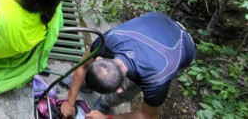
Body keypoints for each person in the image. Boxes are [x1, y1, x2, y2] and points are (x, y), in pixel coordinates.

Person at [60, 12, 196, 119]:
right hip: (158, 20)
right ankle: (91, 82)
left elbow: (148, 116)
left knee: (130, 87)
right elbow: (83, 65)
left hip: (184, 46)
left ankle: (105, 104)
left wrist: (107, 118)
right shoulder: (110, 39)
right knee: (94, 69)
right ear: (99, 59)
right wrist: (69, 101)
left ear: (118, 88)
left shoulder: (156, 79)